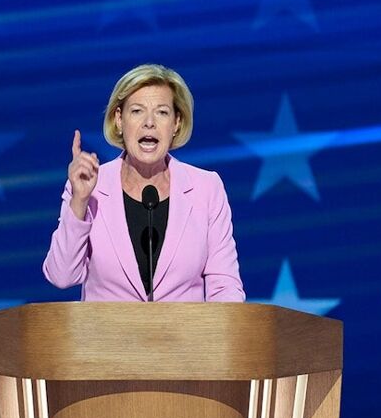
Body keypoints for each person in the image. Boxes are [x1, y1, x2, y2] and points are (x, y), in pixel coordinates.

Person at [43, 64, 244, 302]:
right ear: (119, 119)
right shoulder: (90, 187)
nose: (149, 122)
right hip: (106, 338)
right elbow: (62, 276)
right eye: (137, 111)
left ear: (176, 123)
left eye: (162, 112)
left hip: (185, 338)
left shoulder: (206, 188)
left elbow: (225, 287)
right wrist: (79, 201)